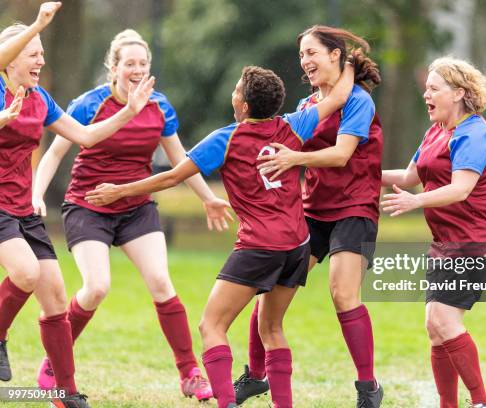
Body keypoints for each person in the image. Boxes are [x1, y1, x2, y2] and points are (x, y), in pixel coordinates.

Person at [84, 63, 355, 408]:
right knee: (271, 329)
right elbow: (342, 95)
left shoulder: (226, 138)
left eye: (237, 89)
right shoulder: (294, 125)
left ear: (243, 105)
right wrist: (348, 62)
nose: (233, 93)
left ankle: (226, 403)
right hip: (298, 245)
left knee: (211, 326)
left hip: (259, 246)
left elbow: (170, 177)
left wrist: (119, 191)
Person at [32, 29, 232, 402]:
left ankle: (189, 373)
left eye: (143, 63)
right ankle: (53, 365)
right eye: (129, 64)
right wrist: (36, 193)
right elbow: (56, 153)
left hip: (137, 208)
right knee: (96, 288)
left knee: (161, 283)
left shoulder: (160, 106)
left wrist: (208, 198)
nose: (137, 70)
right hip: (89, 206)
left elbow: (180, 160)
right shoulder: (89, 104)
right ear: (114, 67)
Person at [0, 6, 155, 408]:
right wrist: (37, 24)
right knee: (26, 272)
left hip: (21, 207)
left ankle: (65, 393)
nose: (41, 60)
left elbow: (85, 136)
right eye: (33, 53)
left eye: (42, 53)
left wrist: (129, 111)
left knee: (55, 298)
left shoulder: (40, 99)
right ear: (12, 56)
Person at [238, 25, 384, 408]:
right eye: (302, 54)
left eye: (312, 52)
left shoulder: (359, 101)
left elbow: (341, 154)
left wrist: (294, 158)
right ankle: (255, 376)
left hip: (355, 209)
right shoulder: (307, 106)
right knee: (268, 294)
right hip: (311, 211)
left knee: (342, 292)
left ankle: (368, 387)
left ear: (335, 54)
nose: (305, 61)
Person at [380, 56, 486, 408]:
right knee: (435, 330)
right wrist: (358, 170)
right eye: (426, 89)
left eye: (434, 89)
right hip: (446, 243)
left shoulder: (475, 132)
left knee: (443, 320)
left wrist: (414, 202)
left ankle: (483, 402)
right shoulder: (436, 130)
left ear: (459, 94)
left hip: (476, 240)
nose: (426, 95)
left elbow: (460, 189)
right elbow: (408, 177)